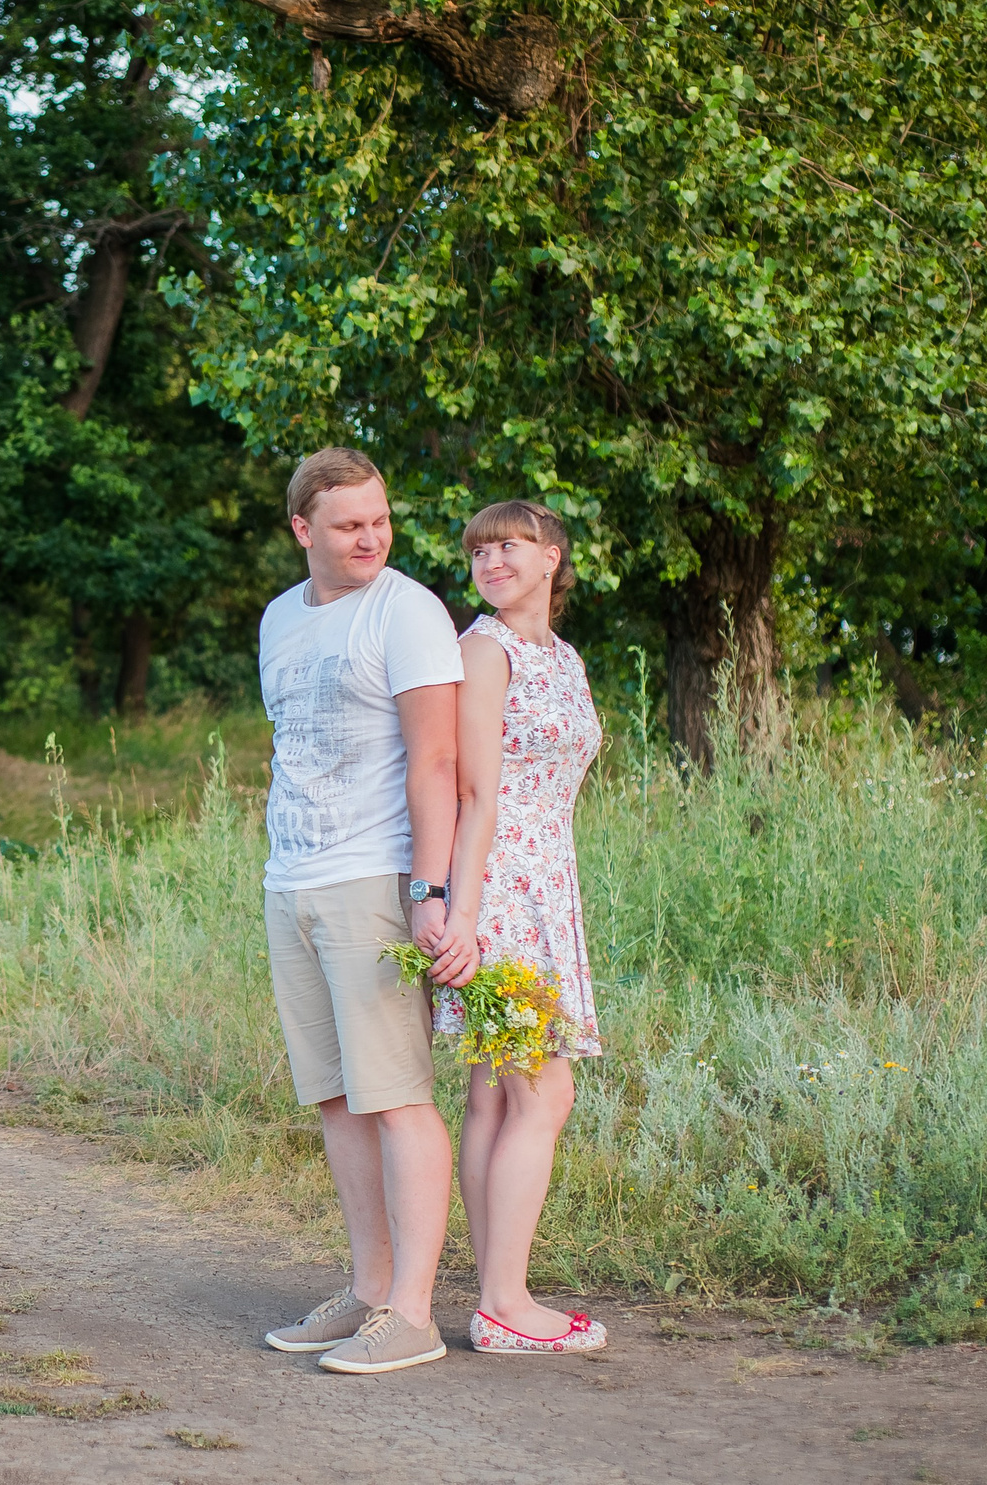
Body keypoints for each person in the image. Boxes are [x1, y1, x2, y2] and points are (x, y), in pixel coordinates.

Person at [256, 447, 475, 1375]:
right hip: (291, 878)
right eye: (349, 525)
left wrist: (431, 892)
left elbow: (437, 765)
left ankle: (415, 1312)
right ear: (303, 529)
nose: (372, 537)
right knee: (336, 1095)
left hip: (375, 876)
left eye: (380, 519)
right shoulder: (278, 617)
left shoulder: (410, 610)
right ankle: (369, 1289)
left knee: (397, 1094)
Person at [440, 499, 610, 1355]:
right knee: (543, 1093)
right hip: (502, 890)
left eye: (507, 545)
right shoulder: (483, 649)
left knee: (497, 1098)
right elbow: (472, 790)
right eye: (478, 549)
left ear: (551, 558)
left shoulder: (564, 658)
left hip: (549, 888)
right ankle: (506, 1303)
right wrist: (460, 913)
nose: (489, 560)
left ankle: (495, 1293)